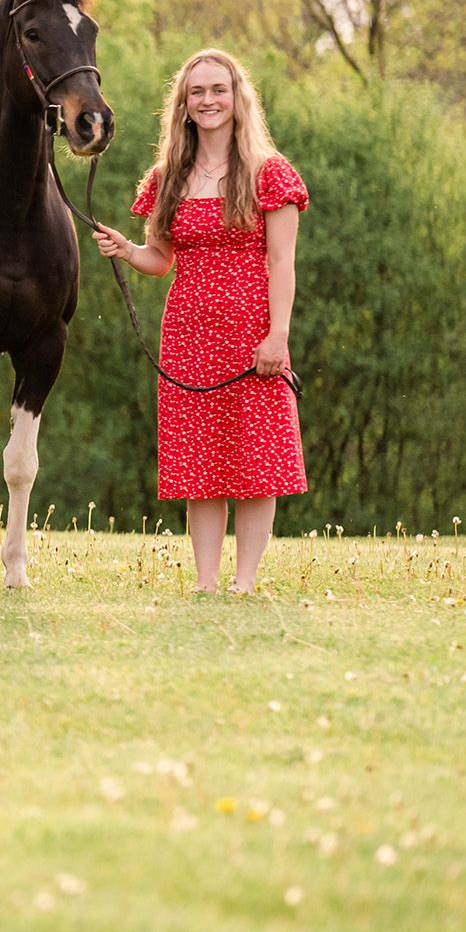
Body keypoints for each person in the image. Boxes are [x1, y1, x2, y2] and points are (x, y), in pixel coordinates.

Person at [94, 48, 306, 594]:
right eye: (197, 92)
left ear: (238, 99)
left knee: (255, 460)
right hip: (186, 334)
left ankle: (245, 582)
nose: (208, 100)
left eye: (218, 90)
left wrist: (277, 336)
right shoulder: (168, 176)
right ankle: (207, 582)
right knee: (200, 463)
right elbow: (160, 259)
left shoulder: (269, 173)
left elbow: (282, 262)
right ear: (183, 105)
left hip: (252, 333)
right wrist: (127, 249)